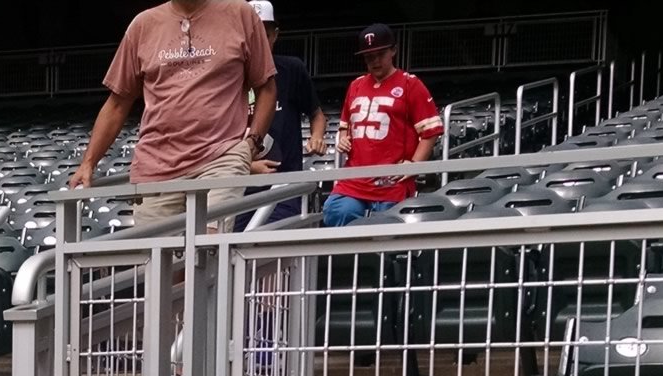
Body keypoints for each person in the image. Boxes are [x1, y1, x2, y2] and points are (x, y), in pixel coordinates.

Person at [71, 0, 278, 229]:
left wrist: (251, 143)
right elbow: (118, 103)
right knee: (162, 260)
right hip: (157, 164)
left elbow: (266, 87)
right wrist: (88, 163)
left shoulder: (241, 14)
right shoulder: (143, 24)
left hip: (221, 154)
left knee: (208, 248)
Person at [321, 24, 442, 228]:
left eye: (380, 54)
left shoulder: (410, 84)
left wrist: (414, 165)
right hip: (355, 177)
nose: (375, 61)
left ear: (393, 51)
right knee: (336, 212)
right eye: (369, 56)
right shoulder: (356, 85)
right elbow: (345, 125)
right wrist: (343, 138)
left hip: (391, 179)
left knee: (386, 229)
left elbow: (431, 131)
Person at [243, 0, 327, 222]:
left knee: (264, 246)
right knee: (226, 249)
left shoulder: (291, 69)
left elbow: (316, 114)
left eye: (264, 34)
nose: (258, 41)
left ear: (275, 35)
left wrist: (317, 136)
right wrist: (246, 167)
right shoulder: (229, 77)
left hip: (284, 185)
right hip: (238, 186)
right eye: (252, 34)